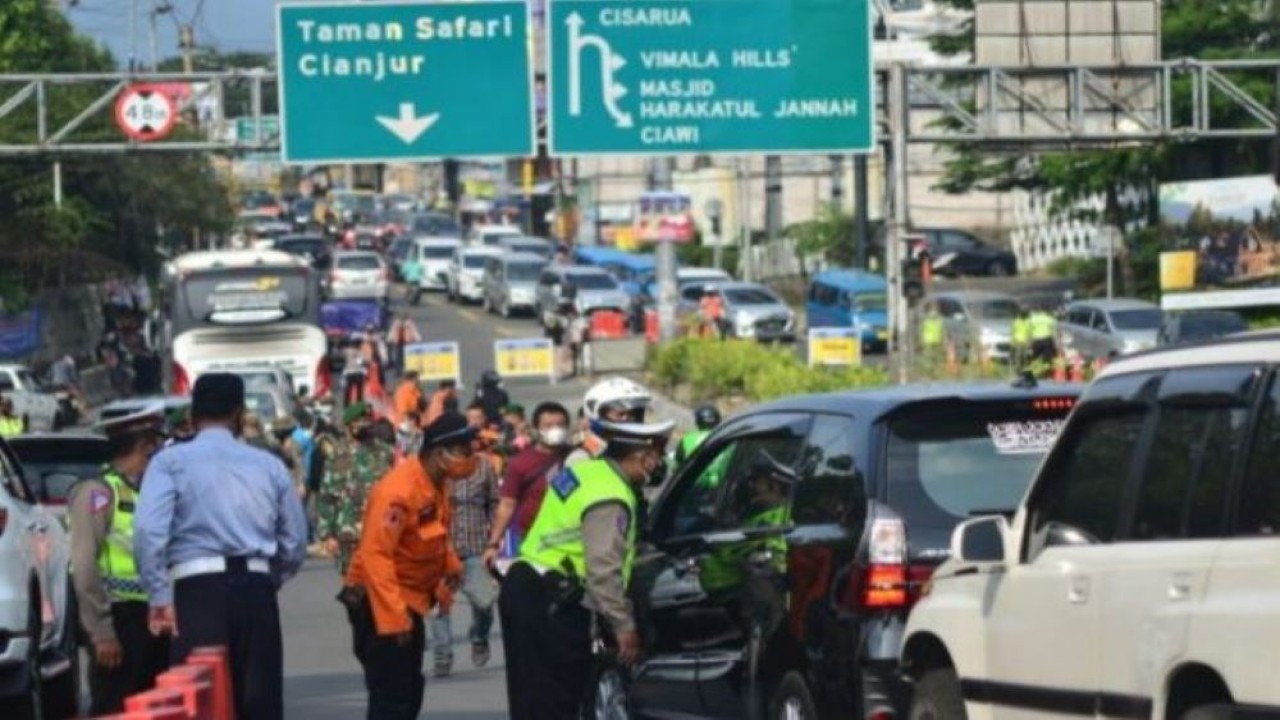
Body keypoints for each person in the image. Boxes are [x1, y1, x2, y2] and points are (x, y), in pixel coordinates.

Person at [134, 373, 309, 720]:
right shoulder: (268, 465)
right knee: (259, 704)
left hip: (197, 595)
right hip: (256, 592)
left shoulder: (169, 463)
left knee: (201, 703)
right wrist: (267, 579)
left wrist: (159, 596)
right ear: (239, 414)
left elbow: (149, 533)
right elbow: (295, 541)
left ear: (193, 415)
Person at [498, 411, 675, 720]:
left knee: (531, 698)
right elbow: (602, 569)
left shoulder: (587, 472)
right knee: (557, 699)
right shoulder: (611, 497)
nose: (658, 465)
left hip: (525, 582)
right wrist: (624, 626)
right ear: (641, 456)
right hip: (552, 600)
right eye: (656, 456)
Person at [340, 413, 473, 720]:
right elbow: (376, 555)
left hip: (410, 598)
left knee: (410, 690)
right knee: (393, 698)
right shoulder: (398, 492)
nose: (470, 460)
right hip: (379, 601)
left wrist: (450, 567)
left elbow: (435, 532)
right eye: (464, 452)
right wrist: (395, 619)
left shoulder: (436, 483)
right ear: (440, 455)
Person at [68, 406, 171, 714]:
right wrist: (101, 632)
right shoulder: (98, 492)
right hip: (117, 618)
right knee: (114, 704)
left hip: (148, 617)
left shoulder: (142, 491)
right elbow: (84, 565)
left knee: (150, 703)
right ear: (143, 447)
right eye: (153, 447)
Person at [430, 407, 501, 677]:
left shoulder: (484, 466)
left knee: (484, 602)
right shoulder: (436, 467)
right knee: (438, 606)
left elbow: (495, 502)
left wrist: (494, 539)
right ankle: (442, 654)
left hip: (474, 547)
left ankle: (479, 635)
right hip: (439, 549)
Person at [482, 402, 572, 568]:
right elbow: (507, 505)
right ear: (536, 428)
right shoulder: (520, 463)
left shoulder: (576, 458)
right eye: (548, 425)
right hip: (529, 538)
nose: (555, 429)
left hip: (566, 539)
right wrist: (493, 544)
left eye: (560, 425)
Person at [317, 402, 395, 575]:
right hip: (348, 535)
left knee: (379, 588)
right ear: (348, 425)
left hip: (380, 534)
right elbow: (327, 496)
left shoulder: (385, 452)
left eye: (367, 421)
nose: (364, 426)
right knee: (353, 590)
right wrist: (327, 535)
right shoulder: (335, 455)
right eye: (359, 422)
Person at [565, 377, 654, 467]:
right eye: (621, 414)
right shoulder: (581, 458)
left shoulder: (639, 448)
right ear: (598, 414)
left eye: (633, 414)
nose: (627, 419)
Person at [343, 338, 369, 406]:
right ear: (359, 345)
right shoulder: (360, 352)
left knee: (348, 390)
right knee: (359, 390)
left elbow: (343, 357)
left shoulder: (347, 351)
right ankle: (358, 405)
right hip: (358, 373)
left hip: (349, 373)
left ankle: (346, 405)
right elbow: (362, 362)